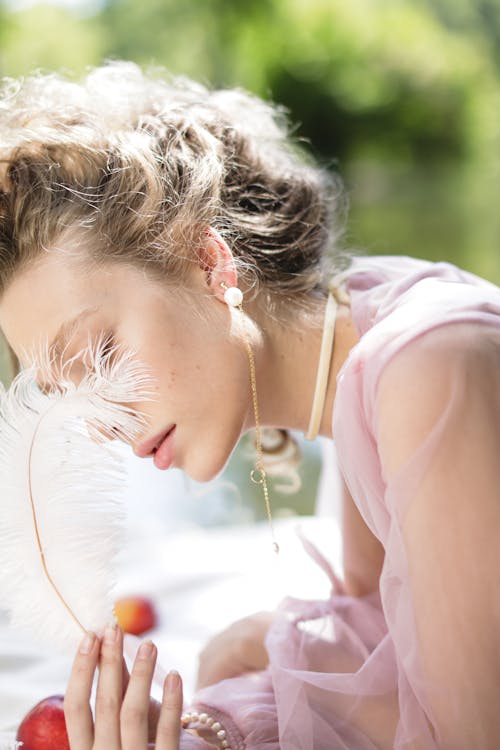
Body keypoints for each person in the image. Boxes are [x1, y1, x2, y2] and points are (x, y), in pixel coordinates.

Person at [1, 60, 500, 750]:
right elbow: (381, 622)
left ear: (209, 261)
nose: (99, 421)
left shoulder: (430, 367)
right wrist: (230, 703)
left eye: (98, 353)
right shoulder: (363, 354)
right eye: (69, 396)